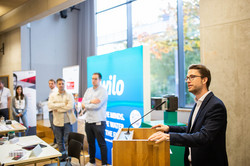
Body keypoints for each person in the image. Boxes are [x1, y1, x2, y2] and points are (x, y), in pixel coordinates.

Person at [148, 64, 228, 166]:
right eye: (187, 78)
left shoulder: (215, 105)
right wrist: (168, 128)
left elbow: (204, 137)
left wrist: (169, 137)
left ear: (204, 80)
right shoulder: (198, 103)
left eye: (192, 77)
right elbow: (192, 130)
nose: (188, 81)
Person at [82, 73, 108, 166]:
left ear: (100, 80)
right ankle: (92, 161)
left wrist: (87, 103)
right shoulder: (88, 90)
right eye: (92, 79)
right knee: (90, 143)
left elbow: (97, 106)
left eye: (95, 79)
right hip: (88, 121)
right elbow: (82, 103)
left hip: (99, 122)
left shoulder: (103, 91)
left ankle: (104, 164)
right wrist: (90, 101)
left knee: (102, 144)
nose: (93, 80)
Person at [48, 78, 76, 159]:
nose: (61, 85)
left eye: (62, 84)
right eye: (59, 84)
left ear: (64, 84)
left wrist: (58, 108)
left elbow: (70, 106)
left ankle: (68, 158)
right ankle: (62, 157)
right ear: (57, 85)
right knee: (59, 141)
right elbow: (50, 106)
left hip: (67, 121)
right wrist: (63, 104)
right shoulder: (52, 95)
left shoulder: (69, 94)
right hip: (57, 122)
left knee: (68, 141)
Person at [48, 79, 58, 148]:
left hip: (53, 112)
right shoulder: (51, 92)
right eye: (49, 83)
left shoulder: (56, 91)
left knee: (55, 128)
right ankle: (54, 141)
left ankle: (57, 142)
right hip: (50, 111)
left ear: (54, 84)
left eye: (52, 83)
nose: (50, 85)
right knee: (52, 128)